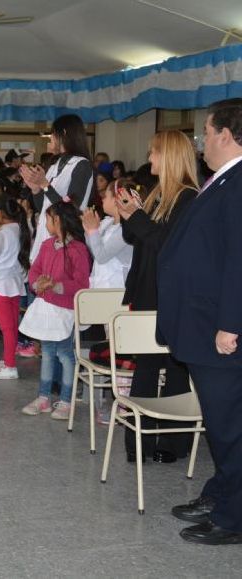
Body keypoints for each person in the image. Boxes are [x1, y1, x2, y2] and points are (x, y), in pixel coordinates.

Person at [157, 98, 242, 545]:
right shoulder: (222, 180)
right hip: (202, 322)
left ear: (226, 134)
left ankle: (234, 517)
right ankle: (222, 493)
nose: (201, 141)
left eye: (206, 132)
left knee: (229, 426)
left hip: (219, 329)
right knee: (221, 421)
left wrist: (231, 324)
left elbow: (238, 260)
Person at [117, 130, 199, 464]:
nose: (149, 158)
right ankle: (138, 441)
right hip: (147, 291)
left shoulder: (189, 198)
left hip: (172, 296)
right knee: (146, 368)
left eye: (154, 153)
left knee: (175, 369)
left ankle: (171, 442)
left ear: (170, 156)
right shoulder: (155, 194)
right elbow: (137, 239)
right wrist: (130, 213)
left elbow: (168, 245)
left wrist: (137, 217)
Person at [20, 202, 91, 419]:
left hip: (65, 309)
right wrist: (37, 284)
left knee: (65, 354)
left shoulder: (78, 249)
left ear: (58, 220)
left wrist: (56, 285)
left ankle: (66, 401)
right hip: (47, 307)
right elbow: (35, 271)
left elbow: (81, 283)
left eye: (48, 219)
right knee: (48, 353)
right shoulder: (47, 245)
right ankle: (44, 398)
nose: (46, 223)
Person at [19, 114, 95, 262]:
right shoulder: (55, 165)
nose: (50, 138)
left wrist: (45, 185)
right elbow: (44, 207)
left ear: (64, 134)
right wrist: (36, 189)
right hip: (46, 236)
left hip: (67, 240)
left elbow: (71, 208)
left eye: (52, 134)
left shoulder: (82, 165)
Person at [0, 195, 31, 380]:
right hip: (14, 284)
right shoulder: (19, 229)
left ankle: (10, 366)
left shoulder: (1, 235)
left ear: (0, 213)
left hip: (1, 284)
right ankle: (7, 360)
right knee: (12, 326)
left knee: (7, 328)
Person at [82, 179, 134, 290]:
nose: (102, 199)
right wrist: (89, 231)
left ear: (116, 200)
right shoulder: (107, 223)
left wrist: (93, 231)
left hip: (117, 288)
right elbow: (95, 253)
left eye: (106, 196)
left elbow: (102, 256)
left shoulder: (126, 228)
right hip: (101, 284)